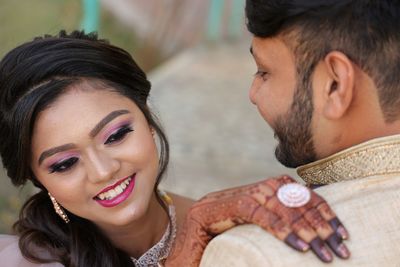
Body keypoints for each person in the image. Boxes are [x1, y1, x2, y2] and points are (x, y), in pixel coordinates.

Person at [0, 31, 348, 267]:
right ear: (38, 179)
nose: (103, 171)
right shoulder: (29, 260)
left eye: (116, 134)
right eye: (64, 164)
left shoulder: (213, 222)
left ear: (148, 119)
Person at [200, 0, 400, 266]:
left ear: (335, 85)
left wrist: (191, 242)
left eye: (263, 72)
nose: (253, 94)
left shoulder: (250, 253)